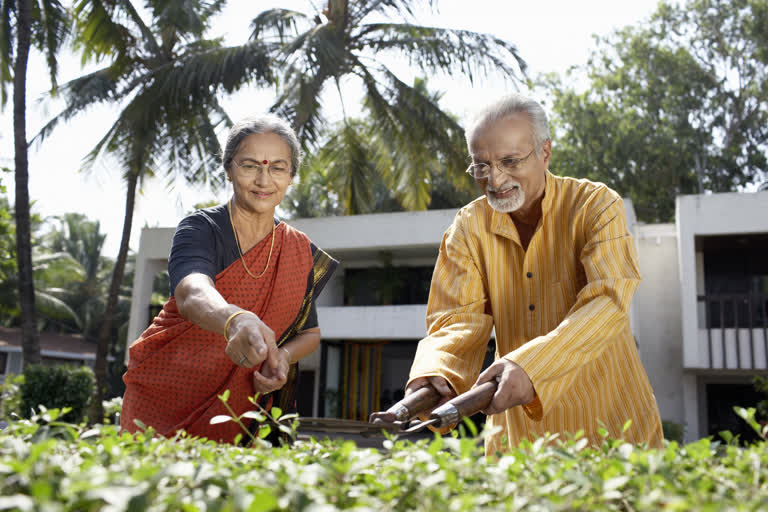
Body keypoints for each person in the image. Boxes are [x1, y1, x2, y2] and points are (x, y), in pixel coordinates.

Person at [406, 94, 663, 453]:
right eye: (481, 165)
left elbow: (608, 301)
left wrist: (531, 366)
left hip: (611, 431)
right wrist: (437, 371)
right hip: (518, 440)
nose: (495, 179)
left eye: (510, 161)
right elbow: (458, 319)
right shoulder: (468, 226)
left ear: (545, 152)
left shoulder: (596, 205)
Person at [121, 114, 338, 444]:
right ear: (228, 169)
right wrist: (235, 320)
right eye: (250, 165)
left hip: (245, 407)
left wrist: (280, 356)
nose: (263, 180)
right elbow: (192, 292)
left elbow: (309, 333)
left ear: (291, 176)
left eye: (277, 168)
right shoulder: (201, 228)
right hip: (166, 397)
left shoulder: (298, 251)